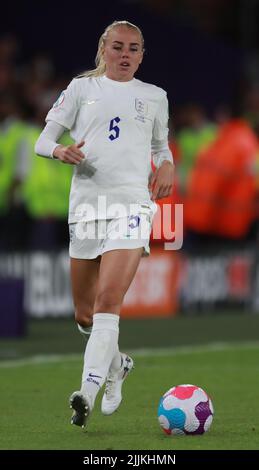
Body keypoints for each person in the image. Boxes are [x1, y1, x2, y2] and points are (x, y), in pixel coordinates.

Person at [35, 20, 174, 429]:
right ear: (103, 48)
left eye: (133, 48)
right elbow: (44, 139)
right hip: (87, 208)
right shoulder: (81, 89)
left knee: (108, 299)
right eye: (117, 47)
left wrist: (167, 164)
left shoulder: (154, 96)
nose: (125, 54)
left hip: (132, 206)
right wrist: (59, 151)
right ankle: (117, 367)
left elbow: (161, 147)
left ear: (142, 54)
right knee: (84, 314)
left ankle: (87, 392)